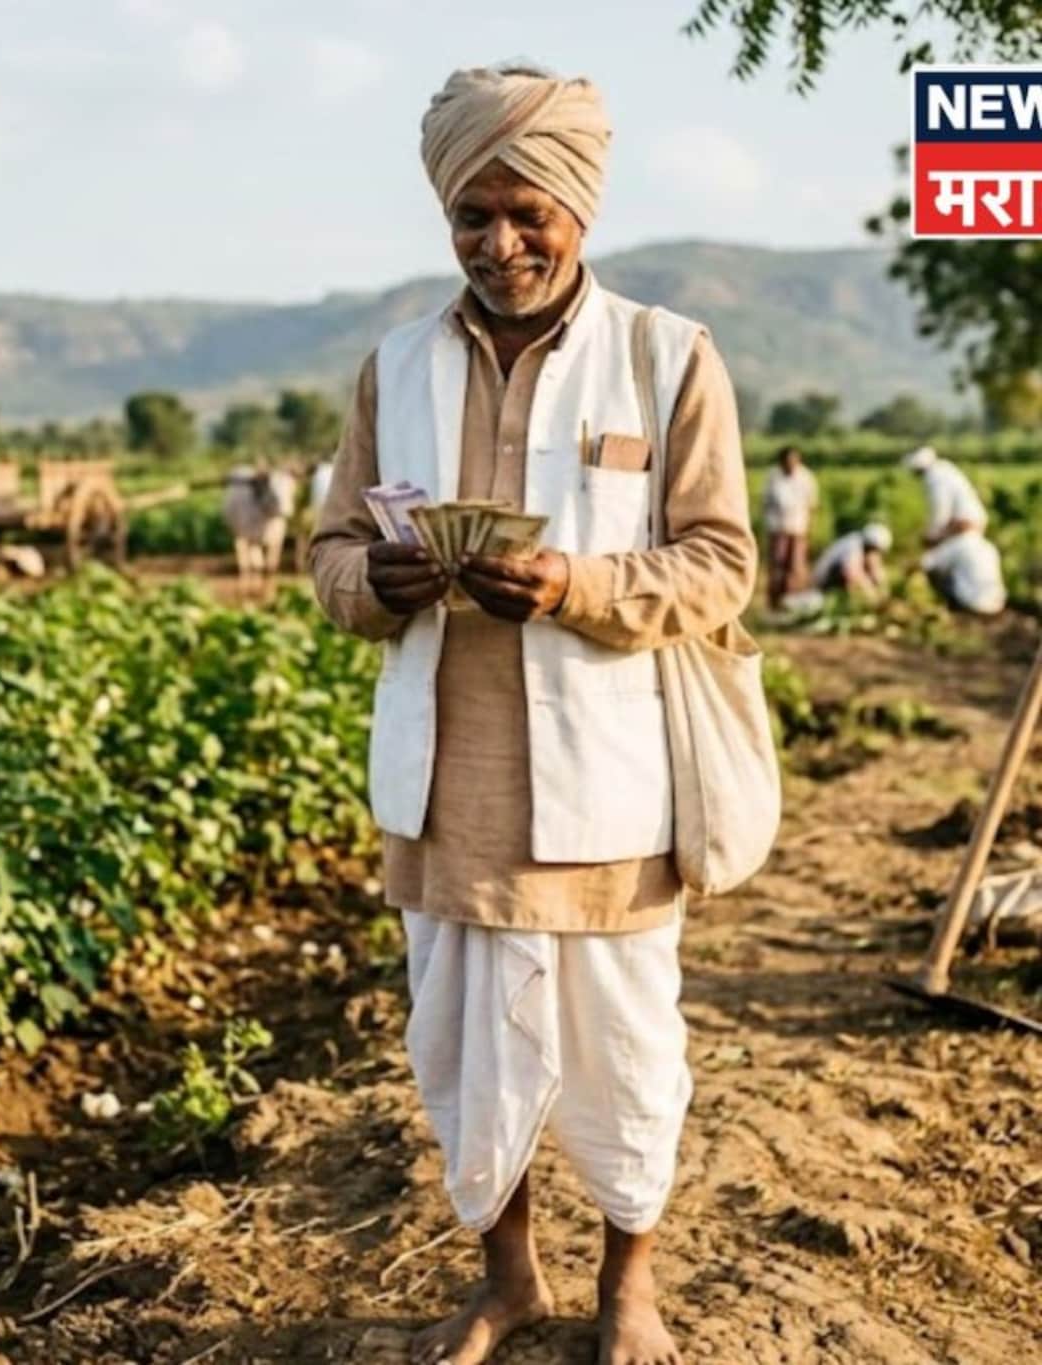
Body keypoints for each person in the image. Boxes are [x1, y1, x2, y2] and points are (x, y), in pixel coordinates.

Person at [308, 62, 756, 1365]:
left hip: (609, 779)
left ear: (578, 209)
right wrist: (376, 583)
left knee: (624, 1045)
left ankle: (630, 1284)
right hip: (448, 783)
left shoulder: (665, 357)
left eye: (527, 214)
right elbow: (330, 552)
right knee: (463, 1051)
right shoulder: (395, 366)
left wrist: (577, 584)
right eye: (472, 216)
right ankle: (508, 1281)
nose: (499, 243)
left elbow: (721, 562)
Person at [905, 446, 1006, 615]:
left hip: (973, 604)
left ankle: (949, 607)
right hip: (998, 604)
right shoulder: (988, 547)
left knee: (941, 570)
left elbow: (940, 512)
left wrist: (932, 536)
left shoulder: (935, 477)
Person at [759, 445, 819, 611]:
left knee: (796, 567)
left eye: (794, 461)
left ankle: (792, 602)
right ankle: (775, 603)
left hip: (798, 529)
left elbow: (812, 505)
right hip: (777, 528)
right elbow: (765, 503)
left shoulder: (806, 477)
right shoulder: (772, 477)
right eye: (787, 462)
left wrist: (809, 528)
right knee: (777, 566)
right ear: (781, 463)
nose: (791, 465)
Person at [810, 521, 891, 601]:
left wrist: (882, 589)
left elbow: (876, 570)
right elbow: (851, 572)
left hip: (830, 580)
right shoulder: (854, 544)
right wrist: (870, 592)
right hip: (823, 583)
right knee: (853, 577)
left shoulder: (863, 546)